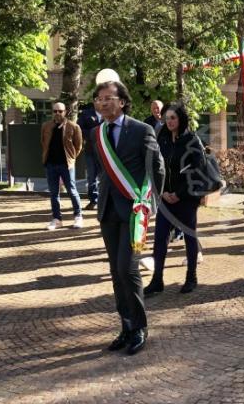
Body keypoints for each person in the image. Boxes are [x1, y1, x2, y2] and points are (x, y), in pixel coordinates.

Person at [93, 70, 164, 356]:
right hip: (108, 210)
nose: (103, 103)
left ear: (122, 102)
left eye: (108, 98)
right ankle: (125, 326)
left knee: (128, 268)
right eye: (99, 99)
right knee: (115, 271)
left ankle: (140, 327)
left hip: (135, 211)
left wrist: (149, 202)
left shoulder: (141, 130)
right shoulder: (97, 133)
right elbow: (101, 171)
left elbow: (157, 167)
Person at [144, 103, 203, 295]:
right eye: (166, 118)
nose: (169, 121)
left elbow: (197, 171)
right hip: (165, 197)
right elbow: (154, 167)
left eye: (173, 118)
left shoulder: (192, 140)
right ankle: (157, 280)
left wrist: (178, 194)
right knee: (160, 238)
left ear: (181, 119)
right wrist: (162, 192)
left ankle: (191, 277)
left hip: (186, 198)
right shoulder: (161, 139)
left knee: (189, 236)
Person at [41, 102, 84, 230]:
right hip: (50, 164)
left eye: (60, 111)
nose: (57, 113)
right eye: (55, 111)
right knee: (54, 193)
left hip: (67, 165)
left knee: (72, 191)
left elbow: (78, 146)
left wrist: (71, 158)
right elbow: (43, 143)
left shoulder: (73, 127)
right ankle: (57, 219)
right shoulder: (46, 126)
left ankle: (78, 216)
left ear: (65, 112)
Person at [78, 102, 102, 210]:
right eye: (97, 99)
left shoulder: (109, 112)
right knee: (91, 177)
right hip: (90, 150)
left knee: (105, 177)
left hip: (105, 151)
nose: (100, 102)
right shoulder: (86, 114)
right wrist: (93, 133)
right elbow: (79, 129)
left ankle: (104, 200)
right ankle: (93, 200)